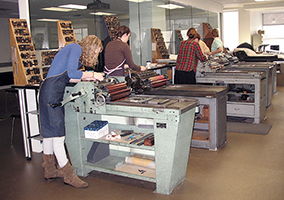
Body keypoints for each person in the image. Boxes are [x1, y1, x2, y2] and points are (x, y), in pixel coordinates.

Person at [39, 35, 104, 188]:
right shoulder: (76, 48)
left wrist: (87, 78)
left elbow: (70, 78)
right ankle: (68, 175)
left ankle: (49, 170)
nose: (95, 55)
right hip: (51, 93)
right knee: (58, 136)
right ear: (91, 46)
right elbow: (72, 74)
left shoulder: (74, 51)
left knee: (49, 133)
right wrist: (93, 74)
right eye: (96, 51)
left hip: (49, 91)